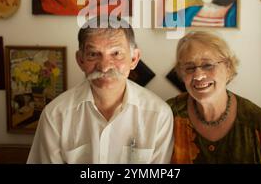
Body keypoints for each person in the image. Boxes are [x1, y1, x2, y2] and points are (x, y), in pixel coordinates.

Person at [27, 17, 174, 163]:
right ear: (80, 60)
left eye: (116, 53)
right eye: (93, 54)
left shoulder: (159, 115)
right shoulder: (55, 115)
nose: (104, 67)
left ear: (134, 59)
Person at [167, 31, 261, 163]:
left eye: (208, 65)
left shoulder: (259, 121)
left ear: (228, 67)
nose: (198, 75)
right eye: (189, 68)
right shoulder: (168, 114)